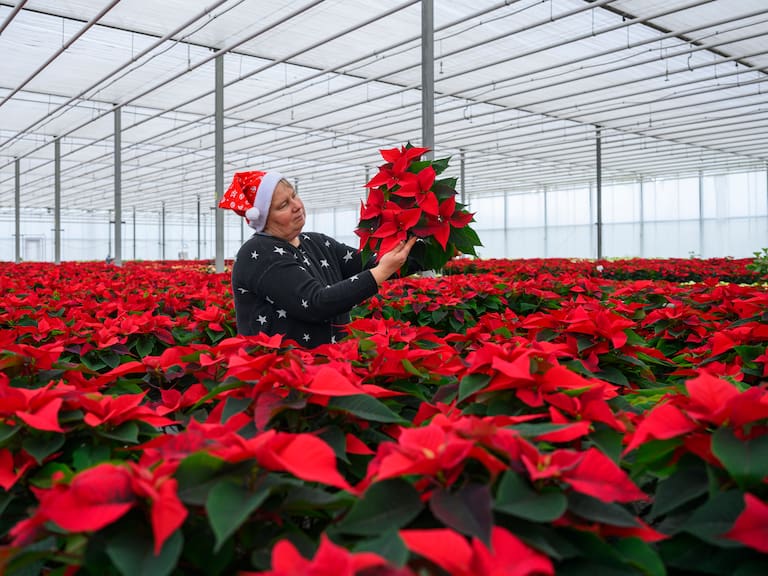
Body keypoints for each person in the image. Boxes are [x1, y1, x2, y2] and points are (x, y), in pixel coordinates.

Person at [219, 170, 417, 346]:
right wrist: (381, 272)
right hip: (284, 376)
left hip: (329, 369)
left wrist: (427, 235)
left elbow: (374, 262)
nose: (296, 206)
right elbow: (315, 303)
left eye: (294, 195)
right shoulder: (259, 252)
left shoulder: (316, 242)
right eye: (283, 205)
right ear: (263, 218)